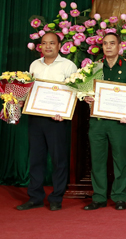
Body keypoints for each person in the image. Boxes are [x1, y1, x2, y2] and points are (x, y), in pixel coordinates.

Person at [17, 32, 78, 211]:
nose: (48, 46)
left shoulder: (68, 65)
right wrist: (22, 99)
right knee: (36, 159)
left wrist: (63, 112)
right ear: (40, 46)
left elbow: (74, 92)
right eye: (44, 43)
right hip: (36, 118)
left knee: (59, 160)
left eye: (52, 43)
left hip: (57, 120)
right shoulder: (34, 64)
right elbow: (31, 89)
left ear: (59, 45)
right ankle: (35, 196)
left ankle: (56, 197)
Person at [83, 33, 126, 211]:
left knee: (120, 159)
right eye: (105, 43)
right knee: (97, 160)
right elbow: (84, 90)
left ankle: (119, 197)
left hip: (119, 122)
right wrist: (86, 97)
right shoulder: (94, 68)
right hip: (97, 121)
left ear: (119, 46)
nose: (108, 47)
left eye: (112, 43)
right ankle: (99, 197)